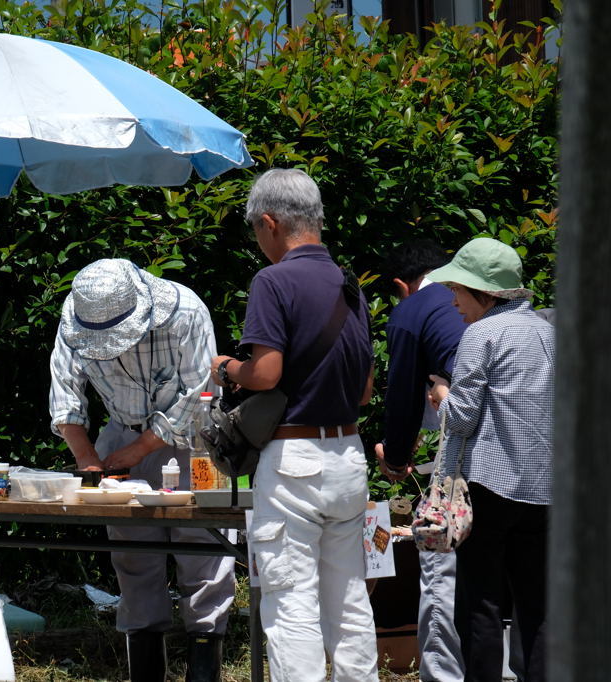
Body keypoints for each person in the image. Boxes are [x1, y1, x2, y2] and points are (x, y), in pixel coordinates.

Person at [210, 168, 377, 681]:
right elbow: (366, 390)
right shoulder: (349, 283)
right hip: (348, 457)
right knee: (349, 601)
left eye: (256, 231)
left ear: (269, 222)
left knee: (290, 603)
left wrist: (227, 367)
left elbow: (266, 373)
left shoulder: (273, 280)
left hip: (294, 464)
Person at [49, 258, 235, 682]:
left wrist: (139, 450)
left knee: (202, 550)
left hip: (195, 440)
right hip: (120, 434)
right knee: (132, 553)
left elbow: (200, 393)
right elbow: (65, 392)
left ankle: (203, 666)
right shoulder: (77, 313)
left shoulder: (186, 310)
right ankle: (146, 668)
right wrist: (87, 459)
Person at [425, 238, 553, 682]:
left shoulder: (482, 334)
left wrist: (441, 396)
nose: (453, 300)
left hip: (491, 487)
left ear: (484, 292)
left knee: (479, 603)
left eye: (458, 289)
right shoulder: (547, 331)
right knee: (537, 608)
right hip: (544, 490)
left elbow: (461, 419)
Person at [373, 239, 467, 682]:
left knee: (440, 563)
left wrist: (393, 456)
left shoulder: (414, 309)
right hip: (523, 454)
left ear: (400, 286)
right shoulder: (480, 304)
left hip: (461, 449)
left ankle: (442, 673)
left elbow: (404, 395)